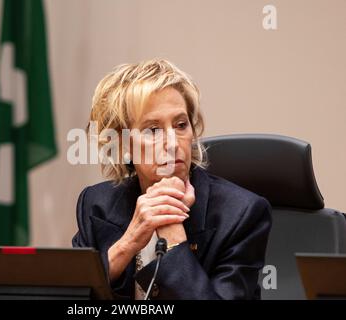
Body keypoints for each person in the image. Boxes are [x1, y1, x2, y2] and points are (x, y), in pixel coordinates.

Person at [72, 59, 272, 299]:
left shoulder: (241, 214)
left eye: (180, 125)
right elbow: (72, 296)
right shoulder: (96, 205)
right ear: (123, 144)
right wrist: (128, 244)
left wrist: (173, 236)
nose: (173, 143)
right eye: (153, 130)